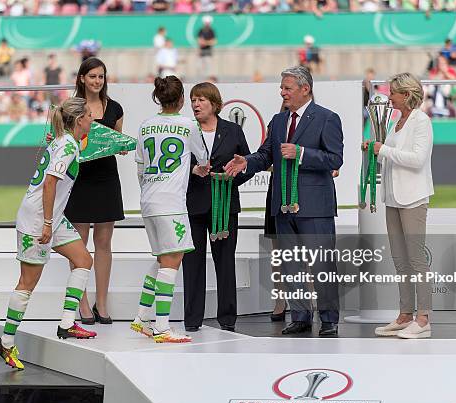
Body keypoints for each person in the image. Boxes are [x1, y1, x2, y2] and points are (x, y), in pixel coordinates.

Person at [225, 65, 343, 337]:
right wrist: (246, 162)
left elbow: (335, 159)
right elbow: (266, 155)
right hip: (282, 204)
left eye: (287, 88)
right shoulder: (279, 121)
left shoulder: (327, 118)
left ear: (305, 89)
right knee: (290, 263)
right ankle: (300, 316)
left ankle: (329, 319)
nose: (283, 92)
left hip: (315, 206)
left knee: (321, 263)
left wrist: (301, 153)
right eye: (282, 88)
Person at [0, 98, 96, 371]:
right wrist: (48, 223)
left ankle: (66, 323)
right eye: (88, 116)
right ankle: (5, 341)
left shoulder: (66, 141)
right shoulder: (67, 145)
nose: (92, 119)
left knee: (84, 260)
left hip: (52, 217)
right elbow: (50, 182)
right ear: (78, 120)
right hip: (39, 220)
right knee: (27, 283)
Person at [131, 76, 209, 343]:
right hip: (171, 202)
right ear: (182, 100)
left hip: (149, 199)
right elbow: (204, 159)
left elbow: (140, 166)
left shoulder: (145, 126)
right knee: (173, 261)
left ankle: (141, 318)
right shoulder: (189, 125)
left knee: (162, 258)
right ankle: (162, 326)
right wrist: (197, 169)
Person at [182, 82, 252, 333]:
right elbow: (178, 167)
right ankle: (192, 320)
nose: (196, 104)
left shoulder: (233, 131)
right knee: (192, 263)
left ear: (214, 103)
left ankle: (227, 319)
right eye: (192, 100)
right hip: (194, 205)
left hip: (225, 205)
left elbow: (246, 163)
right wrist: (193, 171)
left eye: (201, 100)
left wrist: (232, 178)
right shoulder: (186, 130)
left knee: (225, 262)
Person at [369, 73, 434, 339]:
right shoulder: (398, 121)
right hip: (393, 198)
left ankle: (423, 318)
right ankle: (405, 314)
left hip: (413, 198)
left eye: (393, 92)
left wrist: (382, 150)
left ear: (406, 95)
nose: (389, 96)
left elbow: (417, 159)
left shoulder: (422, 121)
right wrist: (374, 150)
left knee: (417, 260)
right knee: (400, 260)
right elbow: (392, 157)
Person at [63, 57, 126, 325]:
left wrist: (121, 146)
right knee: (80, 243)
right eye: (92, 77)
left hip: (106, 178)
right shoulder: (69, 108)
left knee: (104, 243)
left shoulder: (115, 108)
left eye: (101, 76)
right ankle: (83, 303)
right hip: (79, 179)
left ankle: (102, 302)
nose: (97, 81)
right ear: (82, 79)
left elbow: (119, 141)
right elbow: (60, 139)